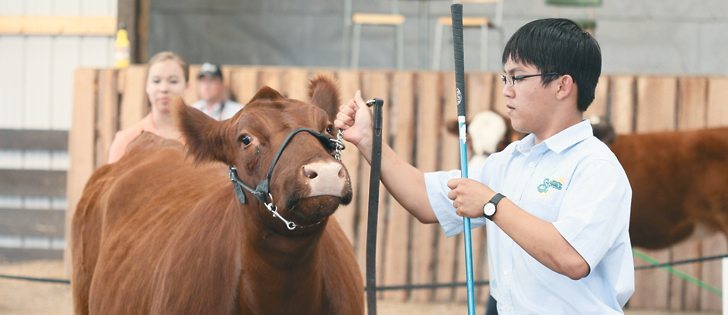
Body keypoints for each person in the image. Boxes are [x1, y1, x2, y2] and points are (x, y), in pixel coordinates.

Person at [335, 18, 634, 314]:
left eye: (517, 77)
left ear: (562, 85)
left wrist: (492, 205)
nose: (506, 90)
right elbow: (425, 199)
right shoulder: (510, 160)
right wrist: (367, 140)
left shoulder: (596, 165)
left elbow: (572, 257)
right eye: (505, 78)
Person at [107, 51, 189, 163]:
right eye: (156, 81)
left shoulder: (200, 141)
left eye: (173, 81)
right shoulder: (127, 139)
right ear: (147, 86)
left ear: (187, 87)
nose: (164, 88)